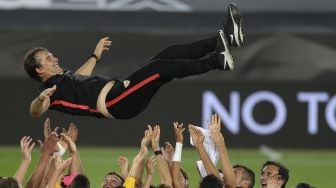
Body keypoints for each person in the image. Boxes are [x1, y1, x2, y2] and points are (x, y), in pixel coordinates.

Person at [24, 3, 244, 119]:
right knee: (161, 67)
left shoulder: (64, 80)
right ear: (39, 70)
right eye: (48, 58)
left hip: (120, 92)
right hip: (115, 102)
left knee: (165, 56)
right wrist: (41, 98)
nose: (55, 58)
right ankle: (218, 61)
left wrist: (95, 56)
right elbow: (35, 111)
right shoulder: (50, 91)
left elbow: (80, 77)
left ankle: (223, 39)